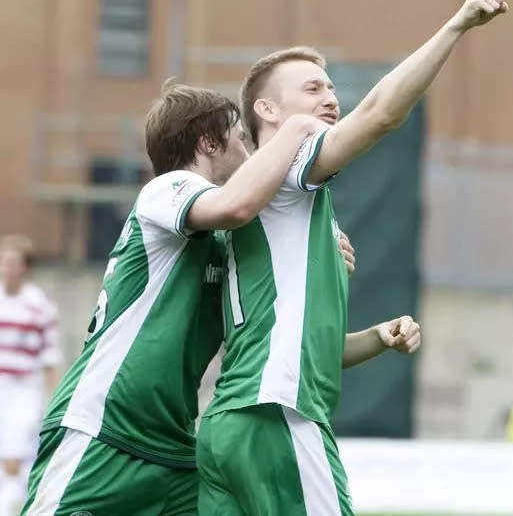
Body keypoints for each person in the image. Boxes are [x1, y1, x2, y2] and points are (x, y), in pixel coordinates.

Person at [196, 0, 509, 514]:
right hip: (280, 415)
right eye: (313, 88)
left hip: (230, 423)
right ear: (268, 110)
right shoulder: (290, 161)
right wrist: (457, 24)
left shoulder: (274, 208)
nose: (332, 98)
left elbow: (311, 348)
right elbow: (382, 116)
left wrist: (377, 337)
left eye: (332, 88)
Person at [21, 83, 337, 515]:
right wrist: (297, 127)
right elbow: (236, 205)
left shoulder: (224, 243)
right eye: (242, 140)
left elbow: (274, 336)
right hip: (102, 430)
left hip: (174, 448)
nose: (248, 152)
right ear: (208, 142)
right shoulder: (167, 189)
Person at [0, 235, 61, 516]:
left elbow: (50, 358)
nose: (7, 269)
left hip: (22, 389)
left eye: (13, 263)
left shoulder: (39, 306)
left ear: (25, 267)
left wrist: (50, 402)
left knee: (12, 456)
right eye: (4, 262)